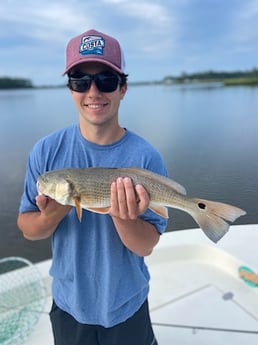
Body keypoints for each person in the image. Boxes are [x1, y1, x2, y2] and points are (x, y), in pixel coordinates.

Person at [17, 29, 168, 345]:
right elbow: (29, 228)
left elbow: (146, 246)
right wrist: (50, 216)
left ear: (123, 88)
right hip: (69, 303)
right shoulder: (46, 152)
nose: (93, 92)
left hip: (128, 304)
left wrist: (123, 216)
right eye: (80, 81)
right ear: (70, 89)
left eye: (107, 80)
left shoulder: (145, 156)